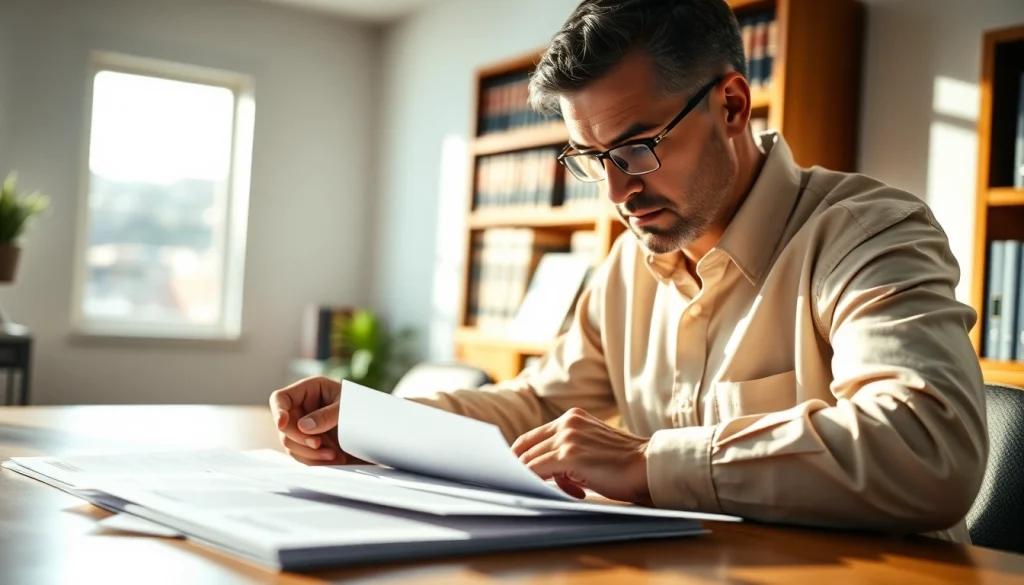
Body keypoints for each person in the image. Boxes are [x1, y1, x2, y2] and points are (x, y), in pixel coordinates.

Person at [270, 0, 987, 542]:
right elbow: (536, 407)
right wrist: (370, 425)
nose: (615, 191)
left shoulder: (871, 232)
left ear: (732, 105)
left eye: (636, 147)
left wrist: (651, 461)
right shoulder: (627, 265)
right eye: (590, 158)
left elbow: (929, 445)